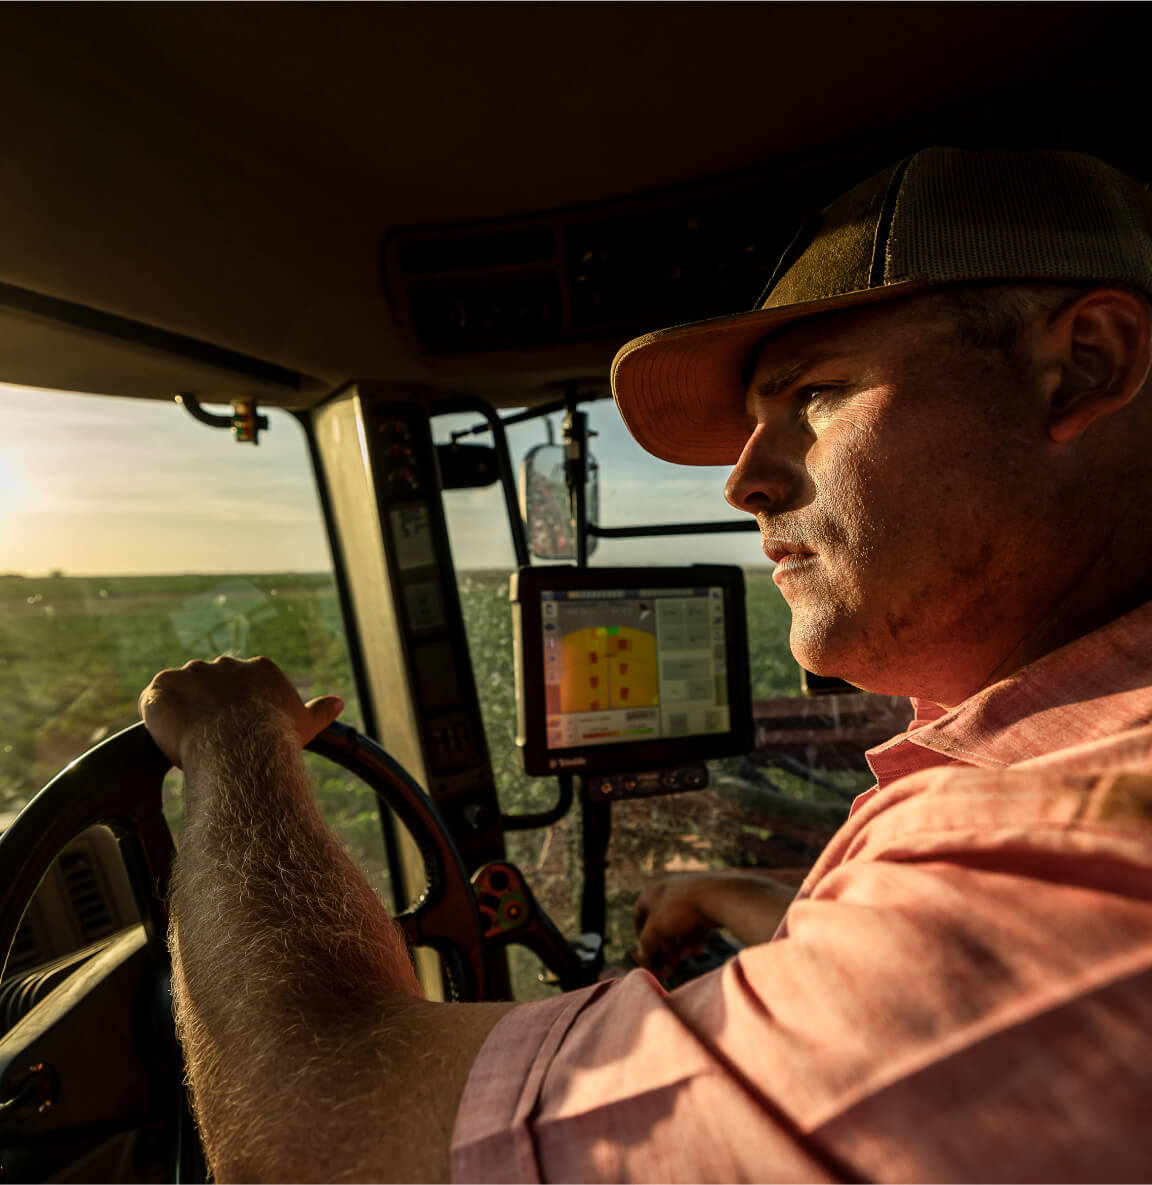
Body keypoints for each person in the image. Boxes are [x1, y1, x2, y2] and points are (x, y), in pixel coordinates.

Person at [140, 146, 1152, 1182]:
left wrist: (233, 752)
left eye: (815, 395)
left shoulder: (1034, 867)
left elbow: (318, 1138)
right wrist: (738, 897)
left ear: (1086, 363)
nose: (745, 482)